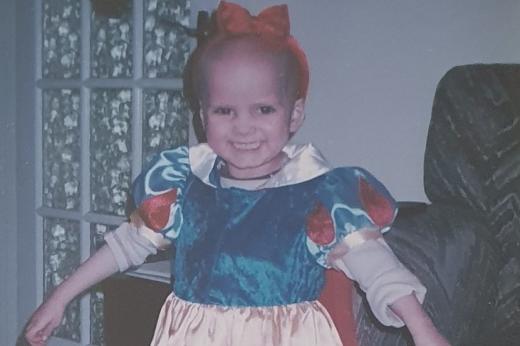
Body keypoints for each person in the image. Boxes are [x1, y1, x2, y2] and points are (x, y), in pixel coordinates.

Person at [25, 2, 450, 345]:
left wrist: (422, 328)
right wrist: (60, 297)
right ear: (201, 115)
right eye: (225, 110)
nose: (243, 127)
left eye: (263, 109)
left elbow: (376, 266)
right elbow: (125, 246)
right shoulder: (185, 187)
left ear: (294, 112)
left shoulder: (319, 195)